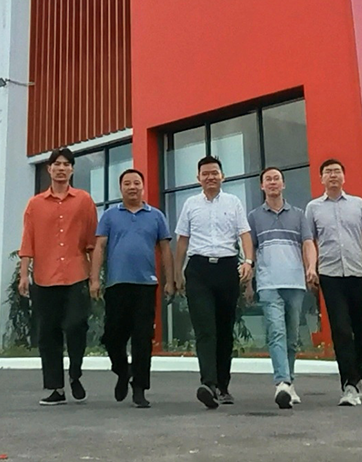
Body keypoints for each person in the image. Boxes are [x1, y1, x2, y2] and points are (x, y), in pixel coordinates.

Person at [89, 168, 175, 408]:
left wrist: (169, 280)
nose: (132, 187)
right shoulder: (110, 215)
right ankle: (122, 370)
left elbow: (165, 250)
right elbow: (99, 247)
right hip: (117, 284)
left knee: (142, 338)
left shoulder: (156, 216)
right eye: (127, 183)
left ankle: (140, 388)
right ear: (121, 188)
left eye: (136, 183)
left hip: (146, 285)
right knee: (112, 336)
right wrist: (94, 279)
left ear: (143, 186)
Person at [18, 147, 98, 406]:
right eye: (57, 164)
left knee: (76, 325)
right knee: (48, 333)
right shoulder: (35, 204)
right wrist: (23, 275)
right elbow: (28, 241)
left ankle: (75, 373)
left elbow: (92, 241)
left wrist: (95, 277)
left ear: (72, 169)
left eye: (66, 164)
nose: (61, 168)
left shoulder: (84, 200)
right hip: (45, 277)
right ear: (49, 169)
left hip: (76, 274)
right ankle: (56, 387)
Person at [174, 155, 254, 409]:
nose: (210, 177)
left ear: (222, 176)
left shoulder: (233, 202)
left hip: (227, 268)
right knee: (205, 329)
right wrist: (177, 272)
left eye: (214, 173)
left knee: (224, 330)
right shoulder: (190, 204)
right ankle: (208, 384)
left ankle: (223, 386)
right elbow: (182, 240)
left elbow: (244, 234)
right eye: (205, 174)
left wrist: (248, 261)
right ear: (198, 178)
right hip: (198, 270)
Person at [304, 158, 362, 407]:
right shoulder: (313, 208)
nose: (333, 175)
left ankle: (358, 376)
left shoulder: (358, 204)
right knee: (341, 330)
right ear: (321, 178)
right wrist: (311, 268)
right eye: (328, 172)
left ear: (344, 177)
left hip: (358, 274)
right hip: (330, 276)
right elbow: (309, 241)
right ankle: (348, 385)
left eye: (337, 171)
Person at [246, 167, 316, 409]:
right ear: (262, 186)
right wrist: (249, 281)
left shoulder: (298, 215)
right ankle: (282, 383)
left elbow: (308, 243)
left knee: (292, 337)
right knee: (276, 332)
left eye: (276, 179)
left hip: (295, 282)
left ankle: (290, 381)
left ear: (283, 184)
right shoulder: (254, 217)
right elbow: (250, 250)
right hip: (268, 284)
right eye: (268, 179)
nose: (272, 182)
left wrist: (311, 267)